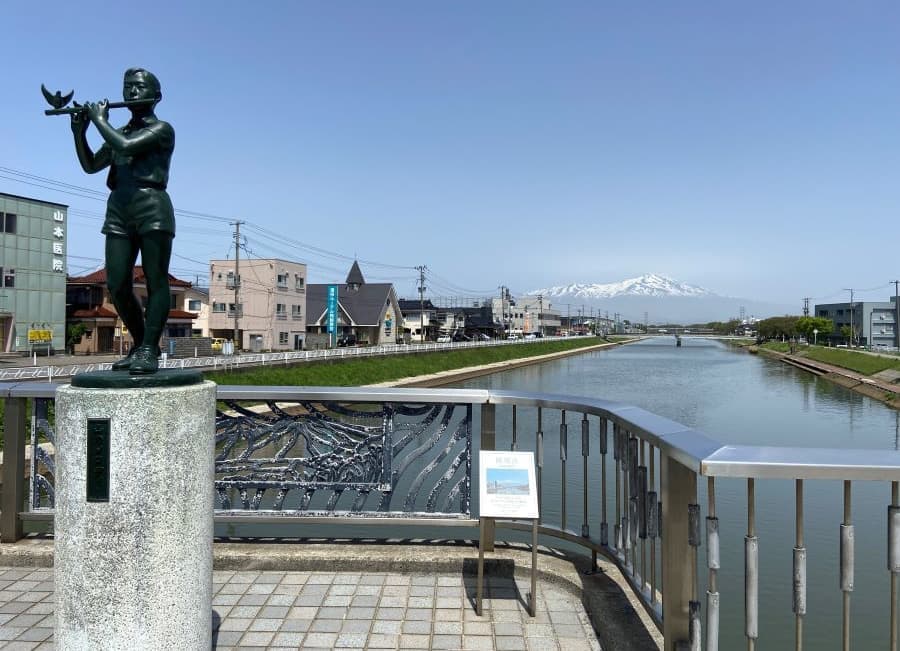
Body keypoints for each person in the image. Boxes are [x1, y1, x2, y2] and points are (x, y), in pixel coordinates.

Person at [71, 68, 175, 374]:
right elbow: (91, 165)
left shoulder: (162, 129)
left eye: (138, 87)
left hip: (151, 205)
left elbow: (127, 147)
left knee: (156, 280)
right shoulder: (119, 132)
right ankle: (141, 344)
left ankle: (149, 349)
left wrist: (99, 121)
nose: (131, 92)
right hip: (118, 207)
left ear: (156, 96)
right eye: (127, 87)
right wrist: (79, 132)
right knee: (116, 284)